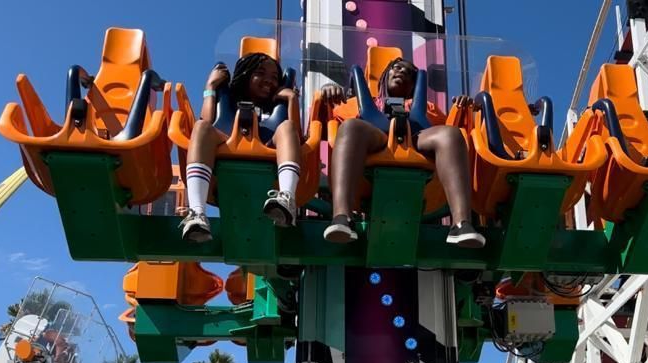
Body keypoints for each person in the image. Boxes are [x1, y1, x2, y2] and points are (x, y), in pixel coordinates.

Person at [320, 57, 486, 248]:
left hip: (416, 141)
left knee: (451, 134)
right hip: (375, 140)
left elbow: (450, 128)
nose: (401, 73)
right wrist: (328, 91)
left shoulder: (429, 108)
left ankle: (461, 224)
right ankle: (342, 217)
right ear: (384, 76)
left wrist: (466, 108)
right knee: (350, 127)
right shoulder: (354, 103)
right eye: (396, 68)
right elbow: (326, 123)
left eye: (409, 73)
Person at [180, 54, 302, 242]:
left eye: (274, 77)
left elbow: (297, 138)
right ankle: (196, 213)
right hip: (227, 149)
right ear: (245, 75)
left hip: (268, 149)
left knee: (287, 127)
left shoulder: (274, 109)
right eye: (260, 73)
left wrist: (292, 99)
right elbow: (207, 121)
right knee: (201, 127)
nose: (268, 80)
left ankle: (286, 198)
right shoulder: (228, 103)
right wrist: (211, 88)